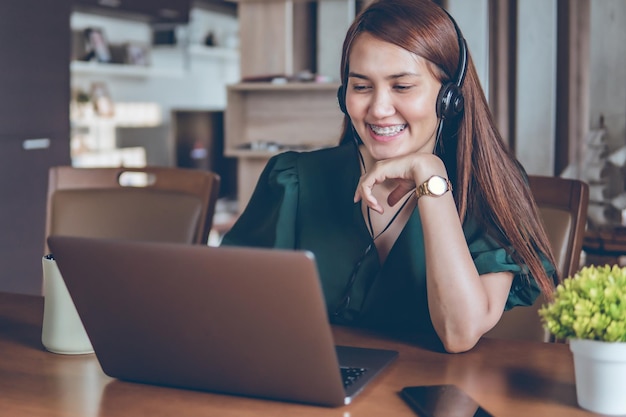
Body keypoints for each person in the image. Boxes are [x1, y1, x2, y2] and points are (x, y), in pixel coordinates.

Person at [221, 0, 557, 353]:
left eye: (402, 86)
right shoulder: (294, 180)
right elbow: (228, 309)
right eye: (362, 87)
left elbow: (460, 333)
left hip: (435, 400)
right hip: (315, 394)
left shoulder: (486, 188)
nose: (379, 109)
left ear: (449, 98)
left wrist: (431, 178)